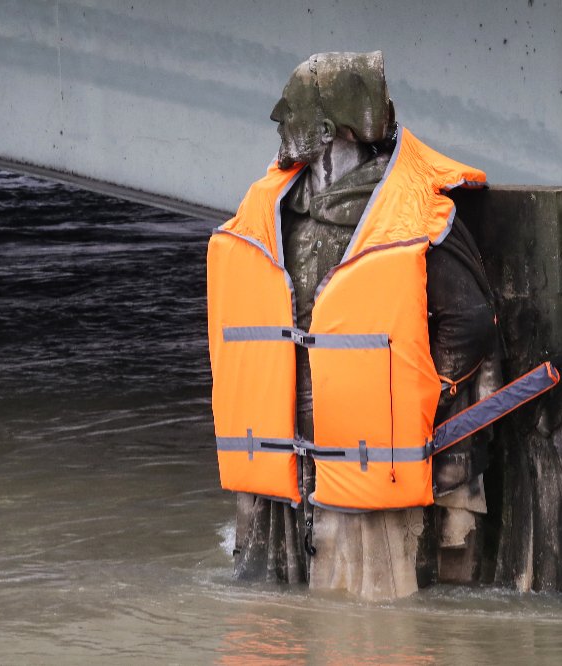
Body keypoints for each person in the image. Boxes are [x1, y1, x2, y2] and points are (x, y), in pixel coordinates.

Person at [207, 51, 500, 599]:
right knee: (270, 624)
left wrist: (419, 398)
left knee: (368, 630)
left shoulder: (412, 215)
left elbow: (471, 322)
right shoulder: (275, 211)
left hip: (369, 461)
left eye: (290, 108)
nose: (278, 118)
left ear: (328, 129)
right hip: (284, 458)